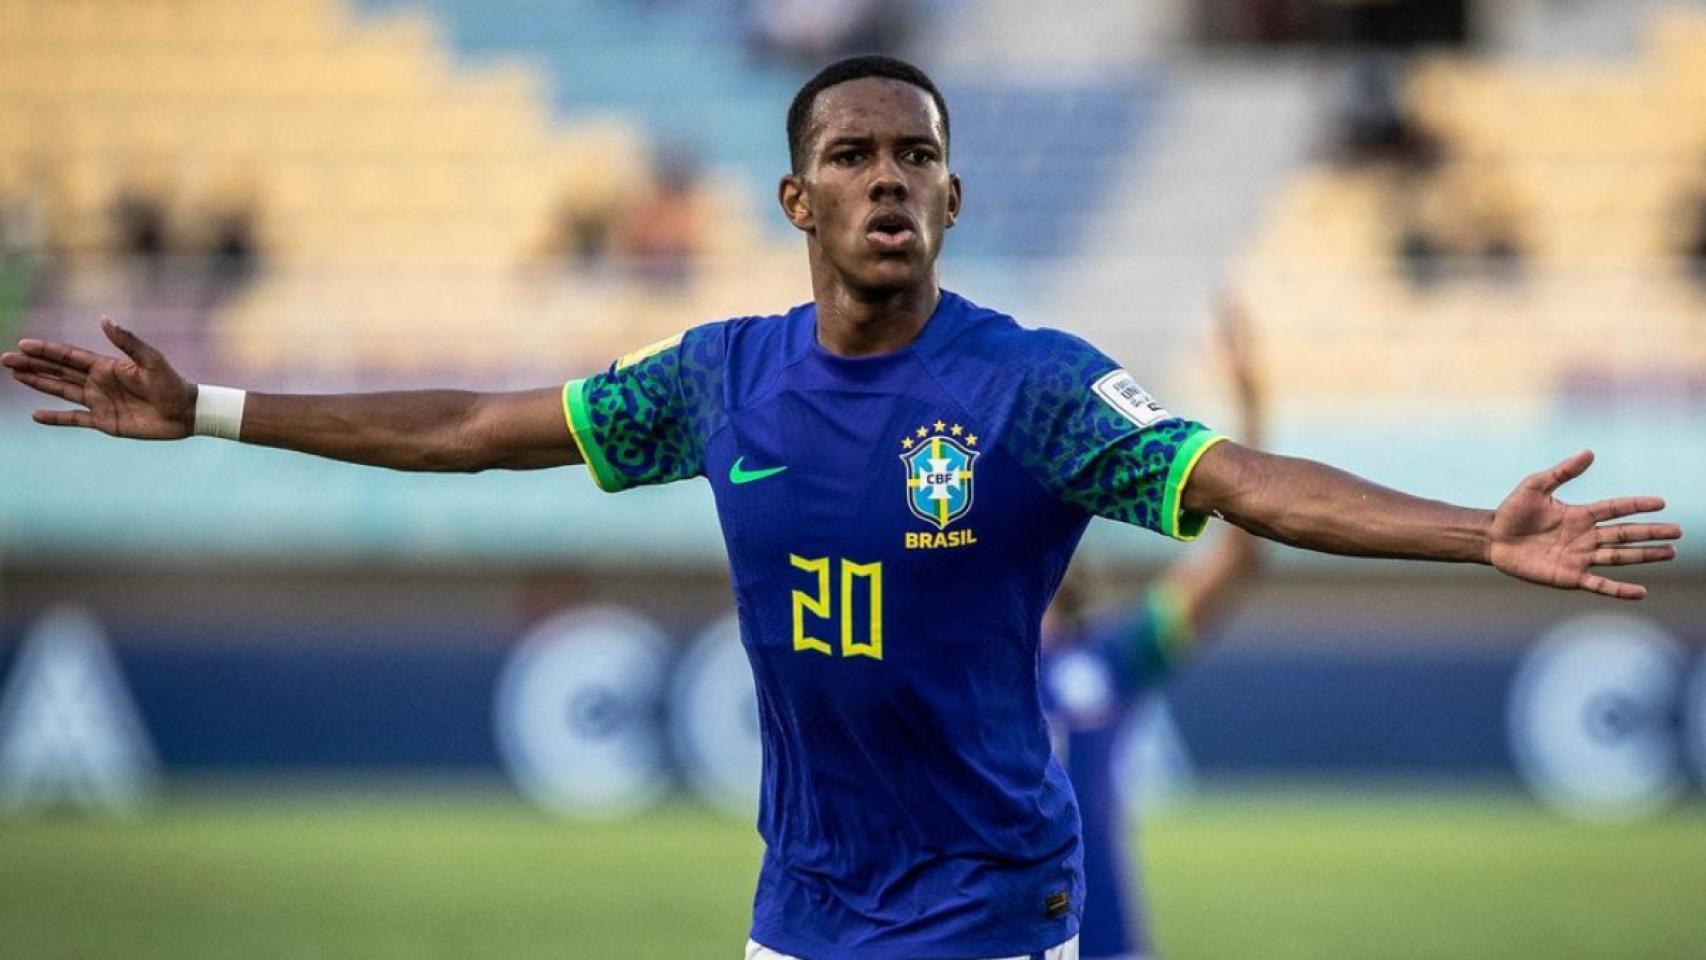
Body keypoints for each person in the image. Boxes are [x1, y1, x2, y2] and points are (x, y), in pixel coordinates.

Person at [1, 55, 1681, 960]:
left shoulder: (1029, 387)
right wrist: (213, 408)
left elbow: (1246, 484)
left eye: (916, 157)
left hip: (989, 902)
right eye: (858, 156)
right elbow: (467, 427)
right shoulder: (718, 380)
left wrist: (1474, 529)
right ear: (798, 196)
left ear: (953, 193)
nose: (890, 179)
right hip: (801, 908)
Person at [1040, 295, 1263, 960]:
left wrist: (1250, 404)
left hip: (1105, 939)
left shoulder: (1108, 657)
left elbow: (1236, 561)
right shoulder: (959, 654)